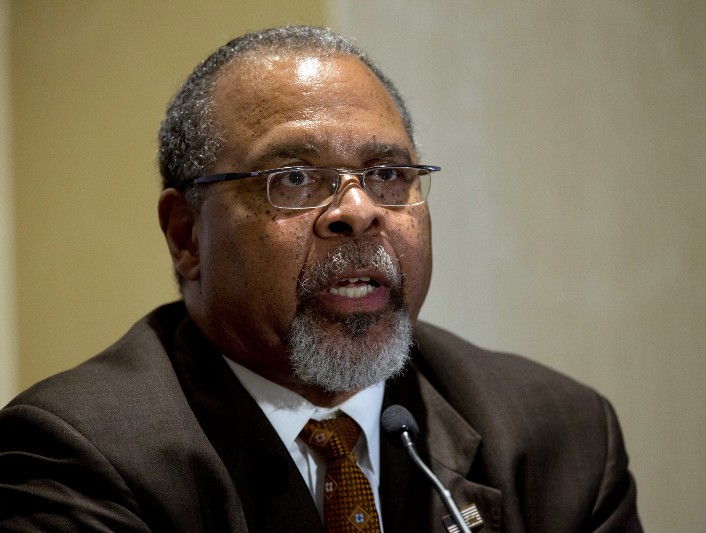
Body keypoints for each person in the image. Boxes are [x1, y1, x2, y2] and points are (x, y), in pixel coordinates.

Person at [0, 26, 642, 532]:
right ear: (187, 235)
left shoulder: (562, 437)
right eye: (296, 179)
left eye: (388, 173)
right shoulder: (78, 455)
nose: (359, 210)